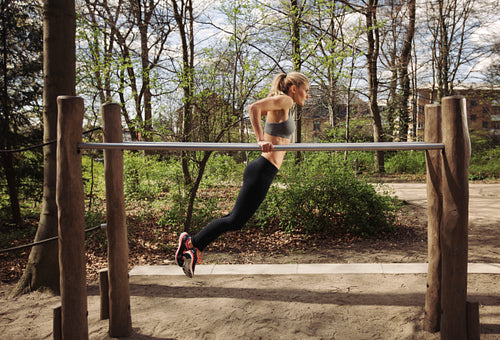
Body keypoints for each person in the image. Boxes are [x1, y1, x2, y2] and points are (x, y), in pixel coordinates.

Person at [175, 71, 310, 278]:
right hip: (262, 169)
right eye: (306, 90)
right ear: (294, 89)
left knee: (235, 220)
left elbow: (267, 119)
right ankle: (190, 242)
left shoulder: (284, 105)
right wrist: (259, 139)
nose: (307, 95)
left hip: (266, 171)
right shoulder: (285, 100)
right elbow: (253, 107)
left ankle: (194, 249)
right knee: (235, 220)